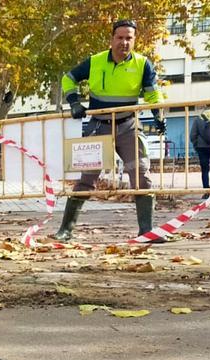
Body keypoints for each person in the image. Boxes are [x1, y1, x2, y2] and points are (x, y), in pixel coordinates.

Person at [55, 19, 165, 241]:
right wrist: (74, 101)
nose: (124, 42)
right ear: (112, 39)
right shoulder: (95, 61)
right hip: (98, 128)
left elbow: (153, 93)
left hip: (129, 126)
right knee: (86, 179)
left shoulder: (143, 64)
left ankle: (146, 231)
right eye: (120, 37)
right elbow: (68, 79)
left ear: (134, 40)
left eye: (129, 38)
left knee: (142, 176)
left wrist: (158, 114)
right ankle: (65, 231)